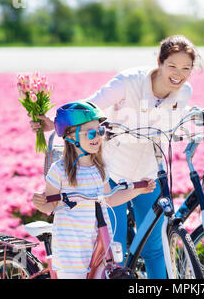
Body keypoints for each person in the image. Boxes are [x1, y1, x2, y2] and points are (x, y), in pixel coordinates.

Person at [30, 35, 203, 279]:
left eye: (186, 68)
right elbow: (89, 106)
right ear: (160, 62)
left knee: (155, 245)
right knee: (114, 248)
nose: (178, 73)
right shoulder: (128, 81)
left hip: (148, 171)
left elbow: (177, 119)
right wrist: (53, 123)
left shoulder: (184, 91)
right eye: (172, 65)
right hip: (111, 171)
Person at [32, 101, 155, 279]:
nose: (97, 137)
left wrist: (137, 190)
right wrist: (40, 202)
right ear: (70, 137)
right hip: (72, 249)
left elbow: (110, 199)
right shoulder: (59, 171)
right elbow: (49, 206)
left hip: (99, 244)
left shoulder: (100, 168)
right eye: (91, 133)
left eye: (100, 131)